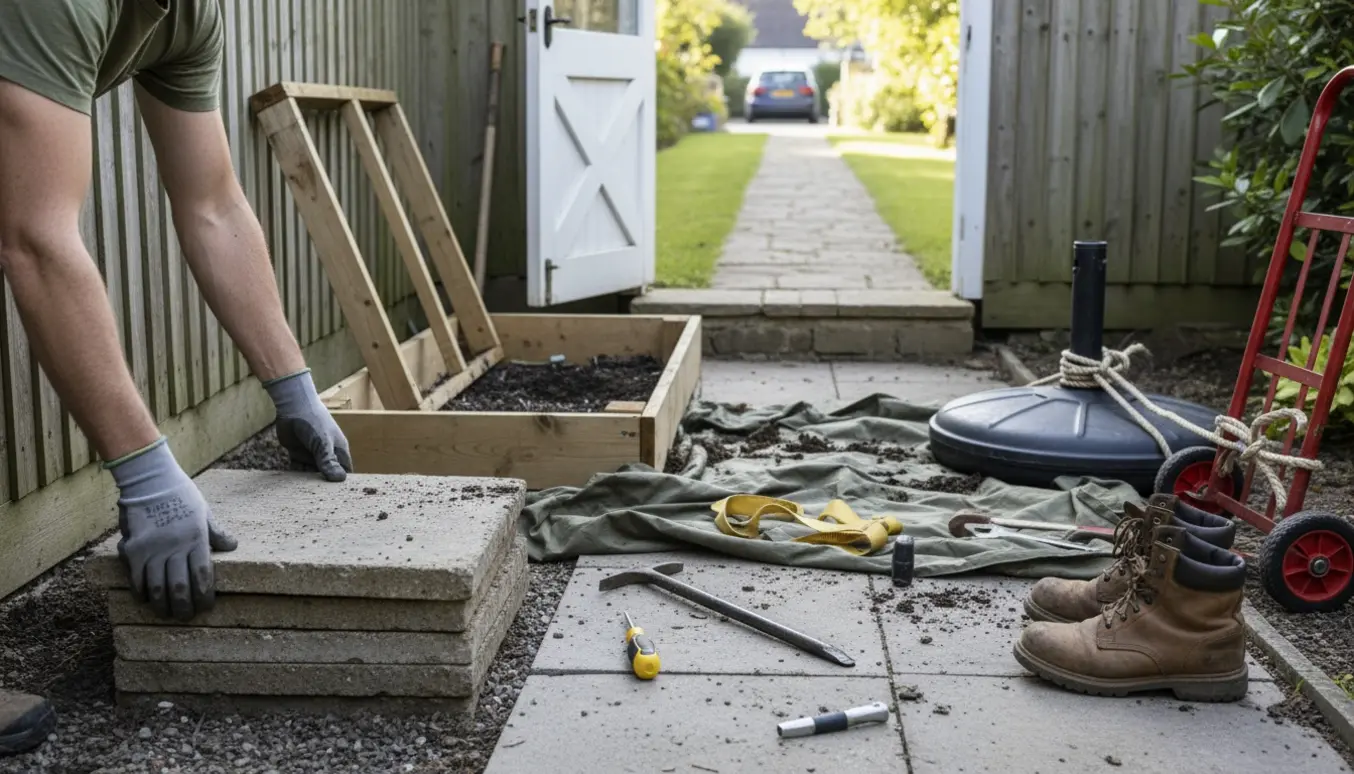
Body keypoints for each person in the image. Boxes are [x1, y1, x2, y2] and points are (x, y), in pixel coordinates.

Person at [0, 0, 352, 757]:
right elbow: (35, 239)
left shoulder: (187, 15)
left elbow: (214, 205)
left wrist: (293, 388)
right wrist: (145, 470)